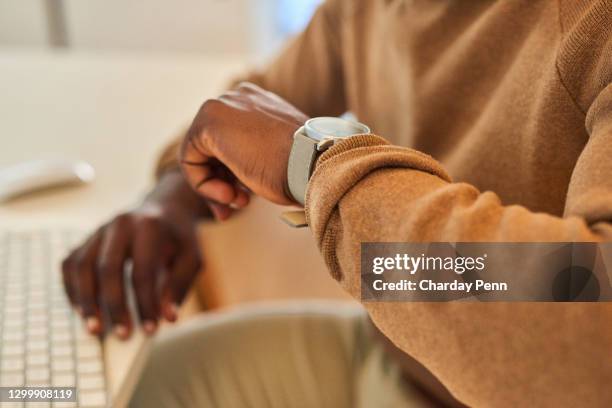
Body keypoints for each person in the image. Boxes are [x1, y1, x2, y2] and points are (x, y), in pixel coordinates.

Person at [62, 0, 612, 406]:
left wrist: (318, 166)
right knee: (115, 391)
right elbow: (257, 107)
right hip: (399, 361)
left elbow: (590, 302)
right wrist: (173, 197)